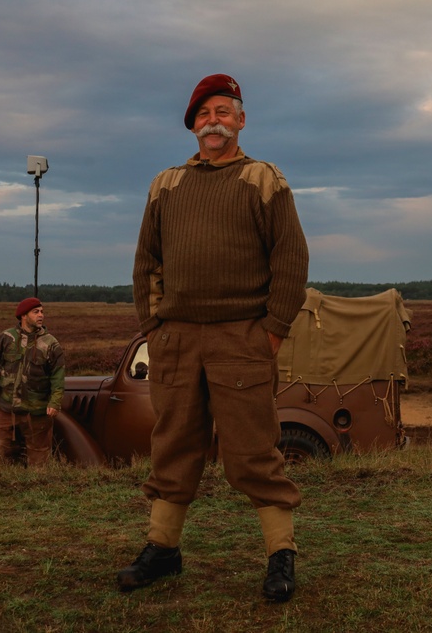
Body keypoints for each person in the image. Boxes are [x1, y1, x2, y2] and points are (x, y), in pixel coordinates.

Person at [120, 74, 309, 602]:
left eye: (223, 112)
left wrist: (271, 332)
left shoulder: (264, 179)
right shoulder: (165, 185)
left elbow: (291, 260)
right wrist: (154, 330)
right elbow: (146, 263)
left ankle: (280, 557)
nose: (213, 122)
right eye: (204, 115)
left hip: (241, 338)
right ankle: (163, 550)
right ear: (193, 126)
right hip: (176, 340)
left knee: (252, 451)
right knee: (173, 444)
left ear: (241, 120)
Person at [0, 298, 65, 466]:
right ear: (23, 315)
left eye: (42, 312)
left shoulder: (51, 344)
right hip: (6, 411)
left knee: (39, 460)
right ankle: (7, 489)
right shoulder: (6, 338)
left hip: (37, 413)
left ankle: (38, 490)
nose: (41, 316)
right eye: (36, 312)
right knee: (4, 456)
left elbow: (58, 377)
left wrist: (55, 402)